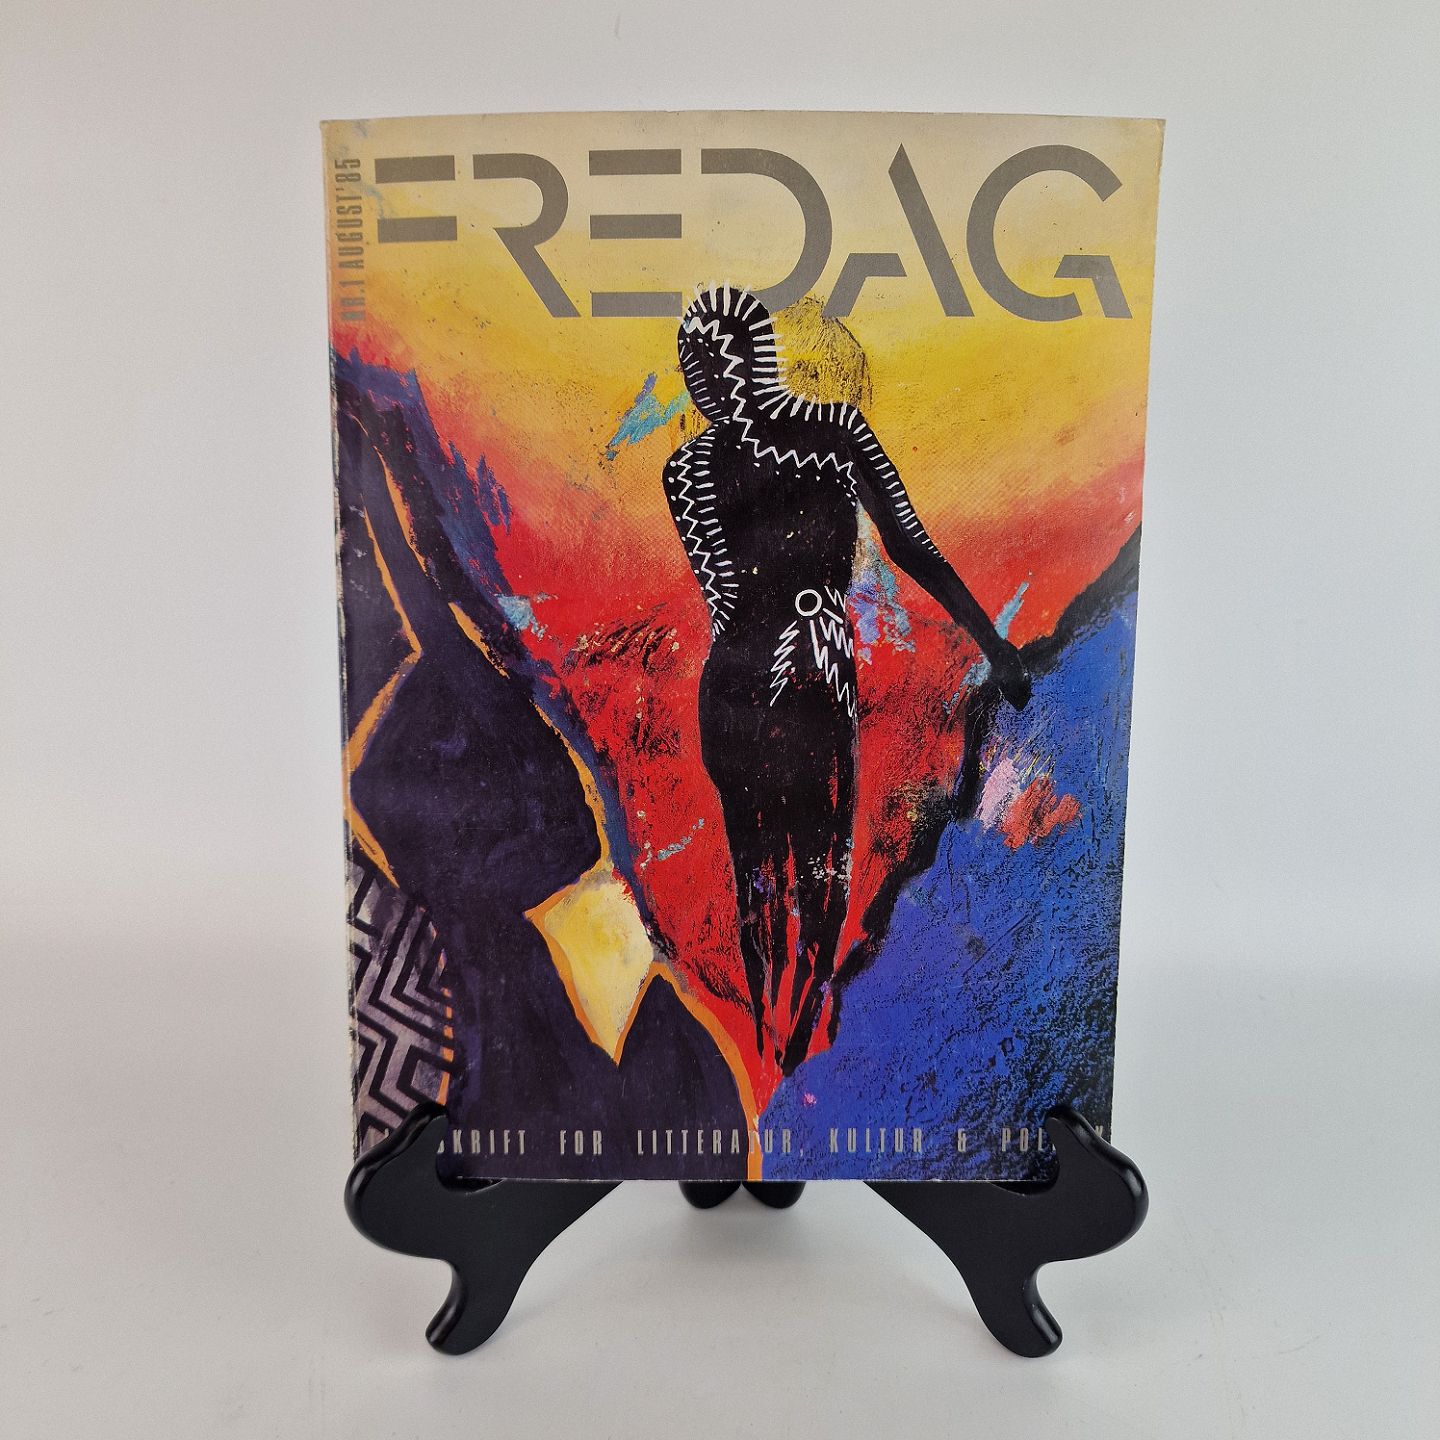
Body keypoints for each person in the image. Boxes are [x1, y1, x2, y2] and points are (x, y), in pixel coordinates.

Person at [662, 284, 1030, 1074]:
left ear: (748, 361)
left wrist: (991, 643)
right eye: (694, 370)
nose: (703, 385)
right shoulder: (805, 441)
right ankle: (785, 1057)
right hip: (792, 672)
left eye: (708, 366)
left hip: (758, 677)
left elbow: (898, 547)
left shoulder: (722, 461)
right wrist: (991, 644)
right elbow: (906, 545)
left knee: (784, 881)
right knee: (793, 879)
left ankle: (787, 1052)